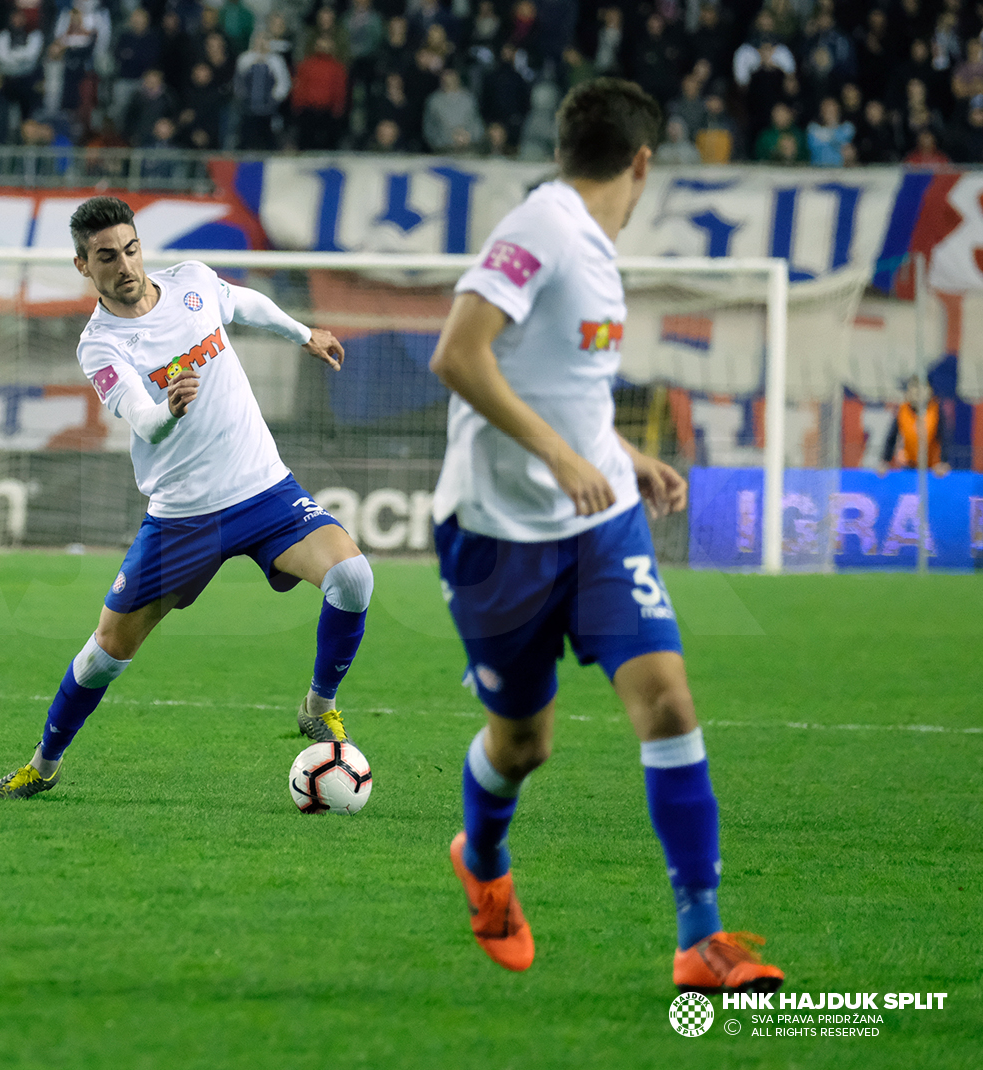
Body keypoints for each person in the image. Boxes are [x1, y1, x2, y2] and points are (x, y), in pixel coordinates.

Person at [427, 79, 786, 994]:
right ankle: (485, 859)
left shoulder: (588, 245)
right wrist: (559, 455)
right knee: (523, 745)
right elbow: (458, 356)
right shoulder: (542, 229)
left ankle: (701, 938)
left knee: (666, 699)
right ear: (642, 162)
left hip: (598, 524)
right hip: (498, 531)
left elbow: (562, 387)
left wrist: (618, 455)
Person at [0, 196, 370, 799]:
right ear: (84, 266)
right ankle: (44, 764)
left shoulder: (191, 282)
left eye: (131, 249)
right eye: (107, 257)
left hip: (264, 489)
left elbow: (243, 304)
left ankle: (318, 705)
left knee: (354, 578)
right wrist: (170, 409)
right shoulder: (100, 345)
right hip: (184, 518)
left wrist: (302, 333)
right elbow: (140, 417)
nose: (126, 267)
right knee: (105, 653)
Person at [879, 375, 950, 476]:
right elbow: (891, 438)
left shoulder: (936, 410)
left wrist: (943, 462)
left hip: (933, 469)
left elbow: (945, 438)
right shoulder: (903, 410)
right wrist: (885, 461)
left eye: (923, 388)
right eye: (914, 388)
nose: (917, 392)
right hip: (910, 466)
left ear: (930, 391)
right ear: (908, 392)